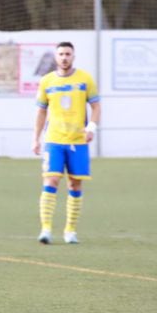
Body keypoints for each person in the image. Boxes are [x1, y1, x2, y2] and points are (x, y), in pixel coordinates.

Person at [32, 41, 101, 245]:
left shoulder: (85, 79)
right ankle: (45, 230)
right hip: (54, 140)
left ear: (73, 56)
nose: (64, 57)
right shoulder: (47, 81)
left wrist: (92, 128)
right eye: (61, 54)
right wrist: (35, 138)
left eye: (68, 54)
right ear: (55, 57)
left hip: (78, 141)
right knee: (51, 181)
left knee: (75, 183)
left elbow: (96, 107)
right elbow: (41, 111)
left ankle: (70, 230)